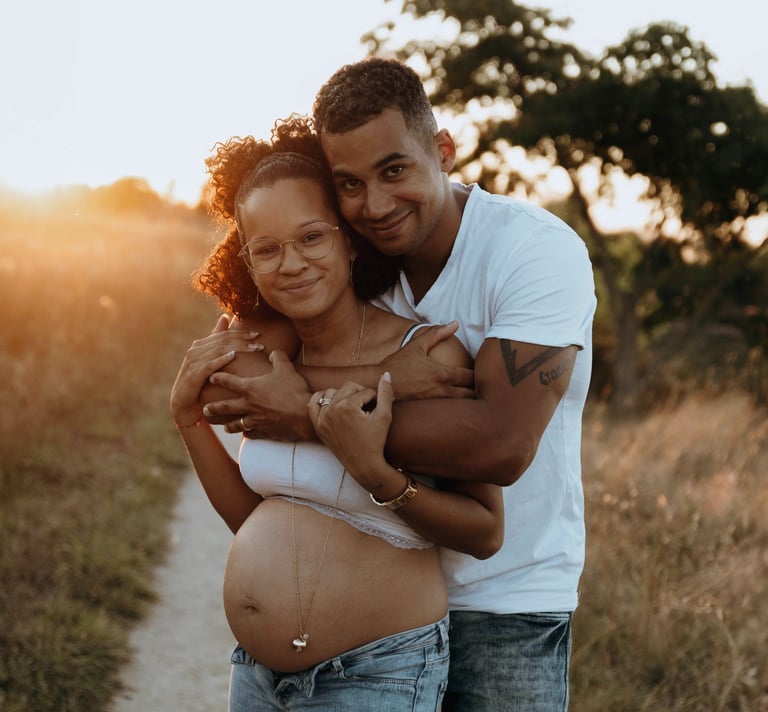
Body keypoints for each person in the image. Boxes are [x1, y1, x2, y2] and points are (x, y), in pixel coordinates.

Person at [202, 58, 597, 712]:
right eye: (349, 184)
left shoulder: (532, 252)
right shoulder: (353, 251)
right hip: (389, 607)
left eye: (395, 170)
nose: (375, 205)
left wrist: (306, 410)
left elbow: (501, 445)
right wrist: (386, 379)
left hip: (505, 600)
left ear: (442, 151)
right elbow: (240, 371)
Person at [169, 115, 504, 711]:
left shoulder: (426, 355)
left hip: (378, 671)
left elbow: (484, 531)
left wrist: (383, 477)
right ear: (248, 261)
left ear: (349, 239)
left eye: (311, 238)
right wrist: (187, 421)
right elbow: (255, 520)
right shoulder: (265, 357)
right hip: (257, 676)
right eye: (266, 249)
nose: (290, 263)